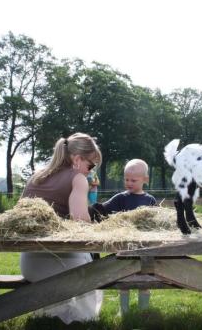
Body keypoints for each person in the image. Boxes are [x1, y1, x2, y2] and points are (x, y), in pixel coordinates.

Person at [20, 132, 103, 324]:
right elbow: (80, 222)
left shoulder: (37, 176)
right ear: (76, 159)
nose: (90, 171)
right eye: (90, 165)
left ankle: (48, 318)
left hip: (29, 265)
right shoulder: (77, 179)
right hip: (63, 265)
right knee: (94, 269)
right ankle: (86, 321)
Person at [100, 159, 156, 314]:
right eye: (126, 179)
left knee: (145, 278)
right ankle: (123, 310)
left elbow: (156, 222)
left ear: (145, 180)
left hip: (145, 247)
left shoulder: (150, 200)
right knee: (124, 277)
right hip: (124, 247)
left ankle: (143, 311)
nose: (129, 183)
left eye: (133, 180)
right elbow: (103, 210)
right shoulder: (120, 198)